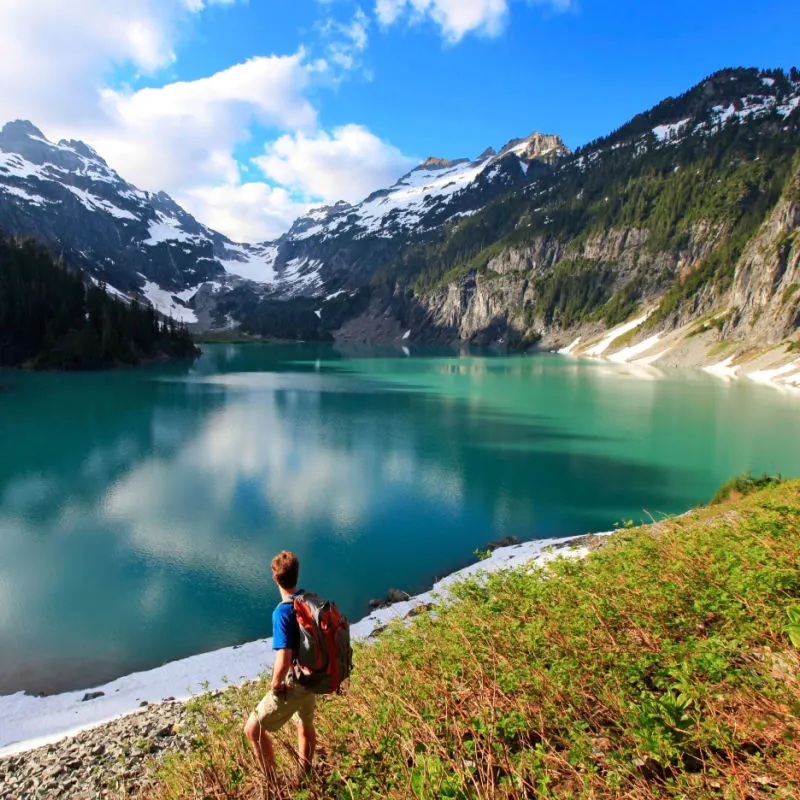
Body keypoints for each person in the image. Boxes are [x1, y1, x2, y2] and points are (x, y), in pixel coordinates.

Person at [244, 550, 317, 778]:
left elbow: (284, 656)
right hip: (313, 676)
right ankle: (304, 775)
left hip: (296, 680)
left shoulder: (283, 612)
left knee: (252, 730)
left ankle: (273, 785)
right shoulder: (310, 600)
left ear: (275, 578)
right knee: (304, 724)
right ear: (297, 574)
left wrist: (276, 684)